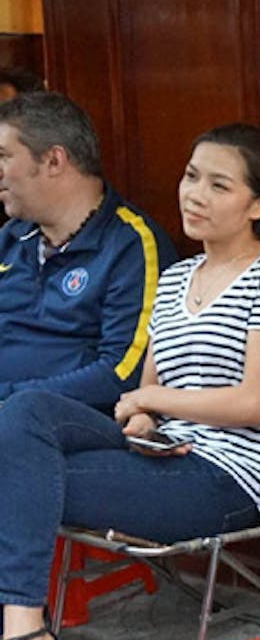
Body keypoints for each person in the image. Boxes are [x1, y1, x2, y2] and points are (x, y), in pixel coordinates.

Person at [0, 122, 260, 640]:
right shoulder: (175, 280)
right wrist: (144, 420)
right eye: (192, 176)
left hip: (225, 482)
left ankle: (23, 635)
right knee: (25, 413)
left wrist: (151, 401)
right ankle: (23, 630)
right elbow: (146, 395)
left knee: (22, 473)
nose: (195, 194)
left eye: (219, 186)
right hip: (162, 457)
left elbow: (254, 403)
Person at [0, 92, 177, 409]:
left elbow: (123, 373)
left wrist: (10, 398)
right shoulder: (12, 236)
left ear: (54, 161)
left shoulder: (132, 244)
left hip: (61, 423)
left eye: (3, 157)